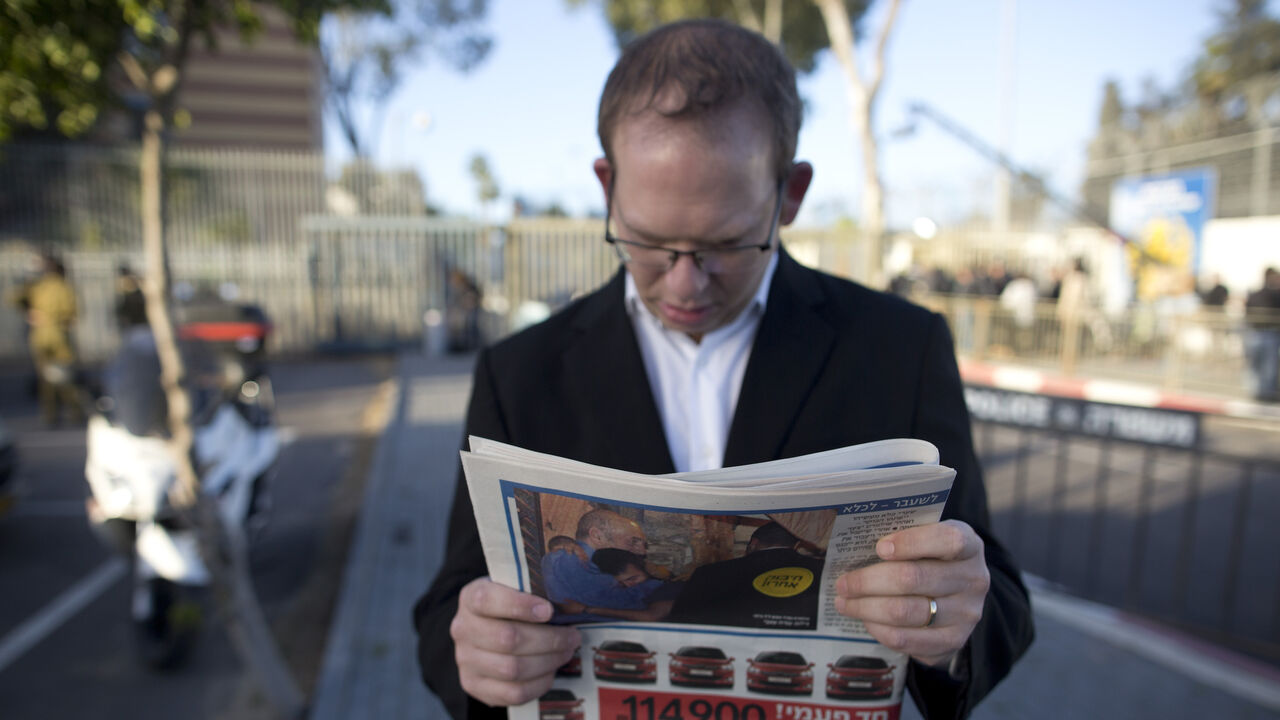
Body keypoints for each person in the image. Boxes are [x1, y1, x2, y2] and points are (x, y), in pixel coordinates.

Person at [413, 19, 1032, 720]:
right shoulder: (518, 372)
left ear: (789, 195)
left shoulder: (899, 349)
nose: (683, 285)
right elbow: (450, 605)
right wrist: (477, 653)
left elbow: (1000, 601)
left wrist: (950, 623)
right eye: (646, 242)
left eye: (725, 246)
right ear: (607, 185)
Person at [666, 521, 825, 630]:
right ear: (795, 546)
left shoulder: (709, 572)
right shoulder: (821, 569)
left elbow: (680, 620)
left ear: (753, 544)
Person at [539, 509, 655, 622]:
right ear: (597, 536)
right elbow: (625, 603)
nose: (642, 552)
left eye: (644, 545)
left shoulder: (556, 557)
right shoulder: (578, 561)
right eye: (633, 541)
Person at [21, 253, 81, 426]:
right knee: (49, 381)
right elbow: (15, 298)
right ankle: (53, 416)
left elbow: (72, 315)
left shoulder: (61, 288)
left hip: (55, 339)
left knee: (63, 379)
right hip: (45, 339)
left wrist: (47, 318)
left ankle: (72, 412)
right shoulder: (37, 287)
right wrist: (30, 312)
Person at [1244, 267, 1280, 402]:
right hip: (1264, 333)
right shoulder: (1271, 294)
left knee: (1261, 365)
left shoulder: (1258, 294)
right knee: (1263, 365)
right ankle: (1263, 393)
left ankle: (1261, 393)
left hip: (1260, 332)